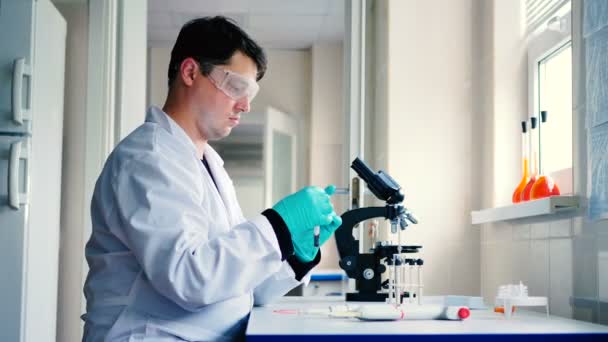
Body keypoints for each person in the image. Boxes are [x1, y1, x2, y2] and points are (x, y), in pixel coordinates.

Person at [81, 16, 342, 341]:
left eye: (251, 92)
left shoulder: (206, 161)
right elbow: (190, 280)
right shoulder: (148, 158)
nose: (245, 105)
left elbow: (240, 286)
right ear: (190, 72)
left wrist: (295, 254)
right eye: (236, 87)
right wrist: (278, 224)